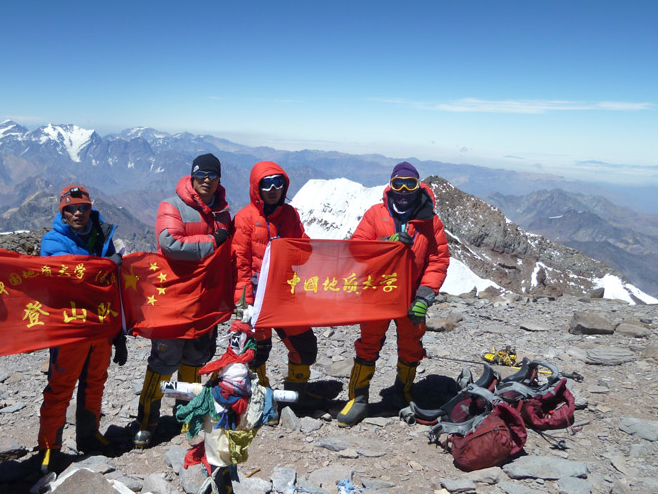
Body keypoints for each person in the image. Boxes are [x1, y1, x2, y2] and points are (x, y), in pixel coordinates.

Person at [338, 162, 450, 426]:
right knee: (368, 345)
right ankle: (359, 398)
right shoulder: (375, 215)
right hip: (377, 295)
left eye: (409, 184)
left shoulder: (430, 221)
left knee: (412, 346)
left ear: (418, 186)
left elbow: (437, 260)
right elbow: (356, 250)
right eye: (397, 183)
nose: (403, 190)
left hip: (412, 298)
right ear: (390, 186)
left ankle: (403, 392)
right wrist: (383, 246)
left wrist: (424, 296)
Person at [133, 153, 233, 449]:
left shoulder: (223, 213)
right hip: (173, 299)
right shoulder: (172, 205)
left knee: (196, 358)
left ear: (218, 180)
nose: (206, 180)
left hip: (205, 300)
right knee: (165, 360)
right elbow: (170, 244)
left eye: (212, 175)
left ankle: (186, 415)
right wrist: (214, 241)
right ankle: (147, 421)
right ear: (192, 176)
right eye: (201, 174)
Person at [38, 185, 127, 464]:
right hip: (69, 325)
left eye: (83, 207)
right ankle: (49, 448)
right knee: (61, 385)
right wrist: (105, 265)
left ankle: (89, 435)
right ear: (62, 212)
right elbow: (65, 274)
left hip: (100, 322)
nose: (78, 213)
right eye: (71, 208)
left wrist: (118, 332)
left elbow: (113, 283)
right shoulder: (52, 241)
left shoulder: (102, 236)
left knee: (95, 380)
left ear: (91, 209)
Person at [231, 161, 325, 413]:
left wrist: (301, 249)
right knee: (258, 351)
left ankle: (295, 395)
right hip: (257, 298)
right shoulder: (245, 218)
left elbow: (303, 251)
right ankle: (261, 399)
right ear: (256, 188)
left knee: (305, 347)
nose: (273, 189)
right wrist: (245, 303)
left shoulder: (290, 215)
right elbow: (240, 264)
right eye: (266, 184)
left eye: (278, 183)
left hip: (286, 294)